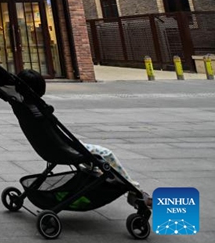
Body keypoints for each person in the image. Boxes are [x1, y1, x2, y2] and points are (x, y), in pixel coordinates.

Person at [16, 69, 152, 208]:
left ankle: (99, 175)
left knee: (94, 161)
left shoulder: (20, 105)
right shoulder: (40, 109)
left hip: (46, 147)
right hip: (64, 148)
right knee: (105, 154)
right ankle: (135, 191)